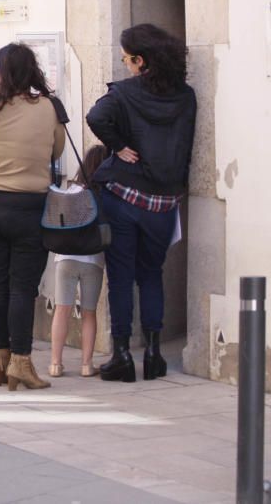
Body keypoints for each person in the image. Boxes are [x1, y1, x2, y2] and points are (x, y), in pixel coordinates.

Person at [86, 23, 196, 383]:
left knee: (120, 278)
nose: (125, 64)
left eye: (127, 59)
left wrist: (117, 146)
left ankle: (120, 354)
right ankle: (153, 353)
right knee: (152, 274)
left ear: (140, 60)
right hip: (164, 203)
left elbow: (95, 117)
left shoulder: (124, 94)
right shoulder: (186, 96)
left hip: (125, 197)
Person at [0, 43, 65, 390]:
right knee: (23, 288)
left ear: (2, 74)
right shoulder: (48, 107)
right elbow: (57, 149)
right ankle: (21, 362)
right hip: (29, 207)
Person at [48, 144, 109, 378]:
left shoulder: (72, 192)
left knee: (61, 310)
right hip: (93, 259)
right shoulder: (105, 195)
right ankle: (86, 364)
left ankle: (55, 363)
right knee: (89, 313)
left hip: (65, 257)